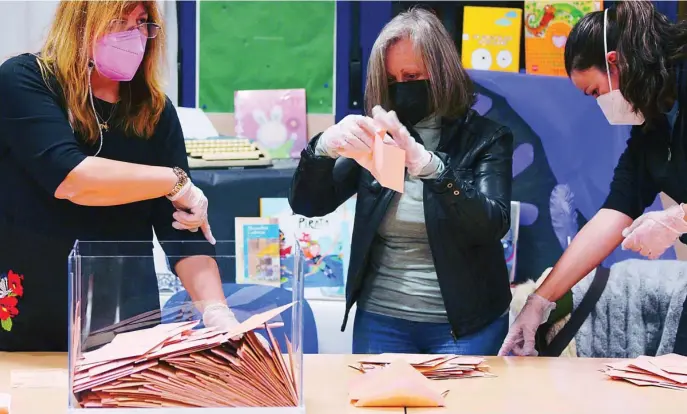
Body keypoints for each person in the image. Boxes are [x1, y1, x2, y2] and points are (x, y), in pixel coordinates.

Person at [0, 1, 239, 352]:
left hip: (127, 326)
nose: (133, 35)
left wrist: (217, 310)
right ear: (80, 23)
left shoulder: (153, 111)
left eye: (141, 22)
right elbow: (71, 178)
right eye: (117, 21)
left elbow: (183, 232)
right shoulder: (24, 80)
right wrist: (174, 182)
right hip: (32, 321)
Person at [289, 7, 514, 355]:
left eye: (411, 77)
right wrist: (321, 149)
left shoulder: (485, 138)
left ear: (441, 73)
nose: (401, 89)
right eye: (391, 81)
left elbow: (491, 223)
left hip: (465, 325)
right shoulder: (379, 135)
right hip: (381, 319)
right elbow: (309, 204)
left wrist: (433, 169)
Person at [499, 0, 687, 357]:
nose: (600, 105)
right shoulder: (652, 128)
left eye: (596, 92)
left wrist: (677, 219)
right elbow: (613, 214)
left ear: (615, 62)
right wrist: (539, 303)